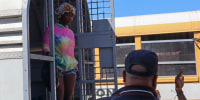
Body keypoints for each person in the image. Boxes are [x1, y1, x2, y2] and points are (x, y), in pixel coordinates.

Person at [43, 2, 79, 100]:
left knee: (69, 97)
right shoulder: (51, 29)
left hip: (71, 68)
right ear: (60, 15)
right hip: (57, 68)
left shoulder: (71, 32)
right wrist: (49, 58)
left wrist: (76, 68)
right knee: (59, 96)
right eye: (67, 15)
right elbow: (46, 47)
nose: (70, 18)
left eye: (72, 16)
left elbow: (71, 52)